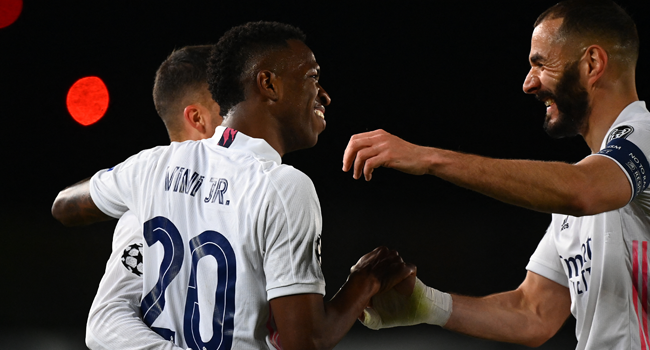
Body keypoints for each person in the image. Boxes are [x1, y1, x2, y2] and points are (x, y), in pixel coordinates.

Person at [52, 21, 415, 350]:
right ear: (268, 83)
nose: (324, 94)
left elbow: (65, 206)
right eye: (311, 77)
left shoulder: (151, 166)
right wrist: (365, 280)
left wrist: (126, 187)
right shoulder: (283, 186)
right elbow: (305, 342)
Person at [343, 0, 649, 349]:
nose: (528, 83)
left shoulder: (643, 137)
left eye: (540, 64)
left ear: (592, 64)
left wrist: (428, 157)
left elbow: (584, 191)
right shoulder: (583, 185)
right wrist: (427, 304)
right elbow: (533, 312)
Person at [86, 45, 222, 350]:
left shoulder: (254, 192)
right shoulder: (147, 206)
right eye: (228, 108)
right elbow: (106, 320)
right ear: (198, 118)